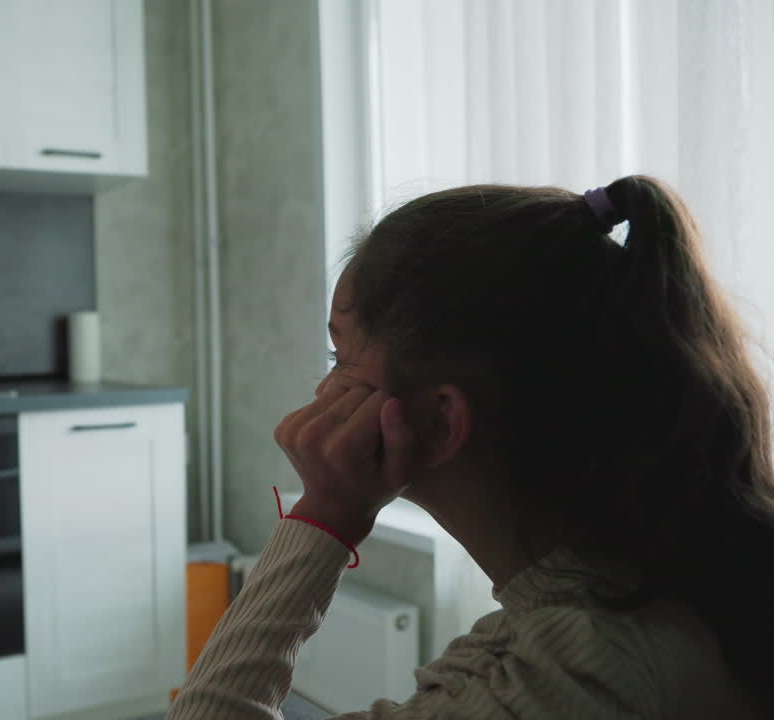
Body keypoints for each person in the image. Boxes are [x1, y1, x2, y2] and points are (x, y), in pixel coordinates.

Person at [168, 176, 774, 718]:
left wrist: (320, 518)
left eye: (340, 357)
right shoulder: (659, 580)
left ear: (438, 420)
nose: (326, 390)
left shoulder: (573, 673)